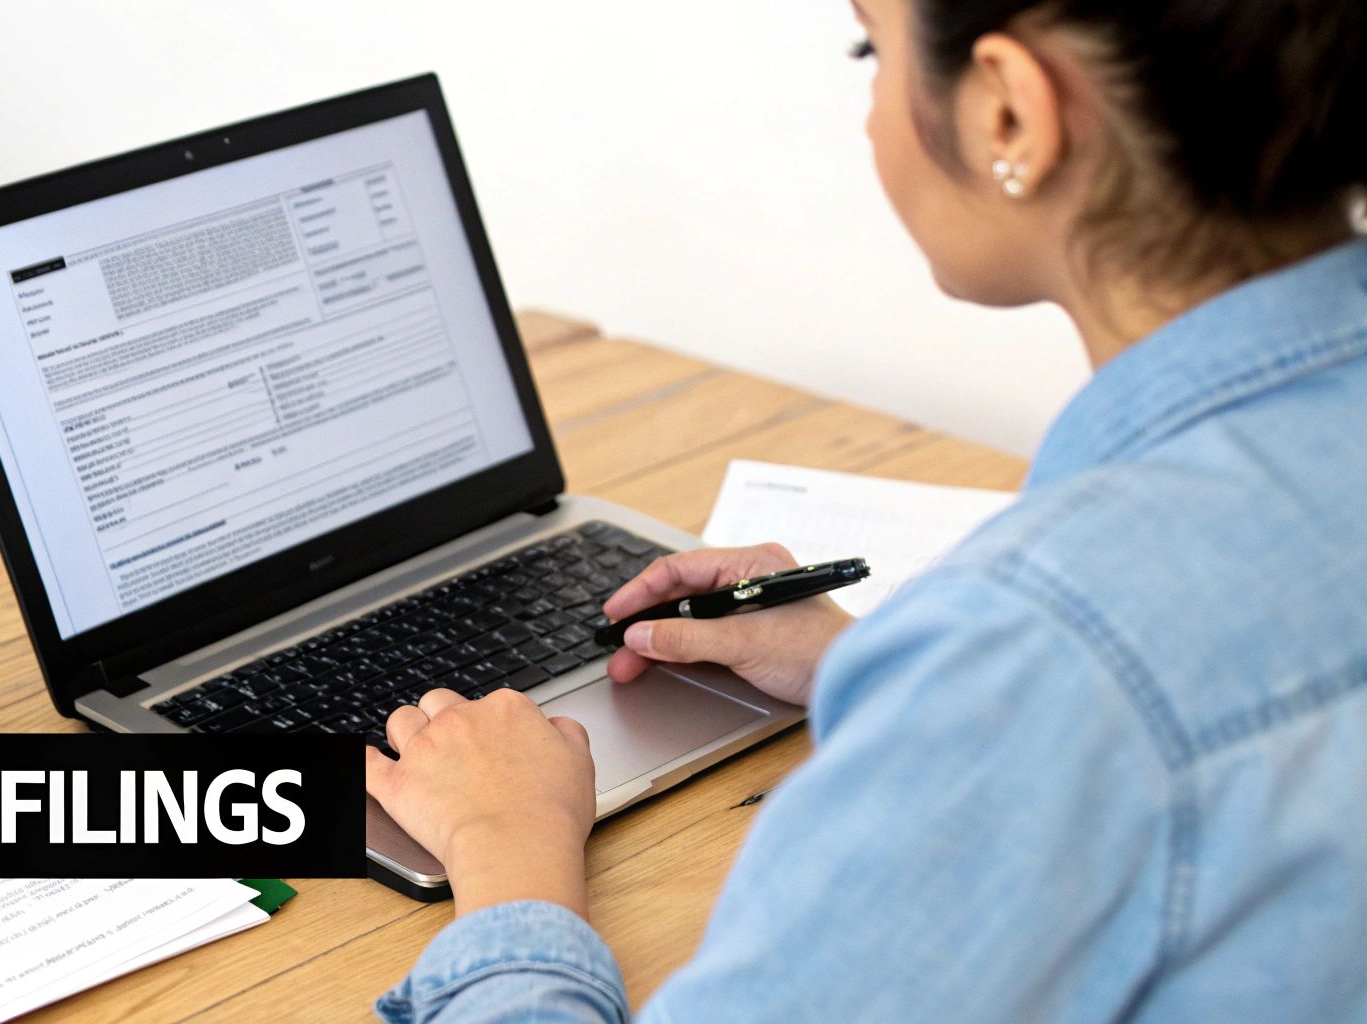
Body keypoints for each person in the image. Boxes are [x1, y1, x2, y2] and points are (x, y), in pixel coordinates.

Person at [365, 0, 1367, 1019]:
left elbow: (1100, 696)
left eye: (869, 47)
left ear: (1009, 112)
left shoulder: (1044, 654)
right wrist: (876, 669)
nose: (866, 112)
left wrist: (505, 844)